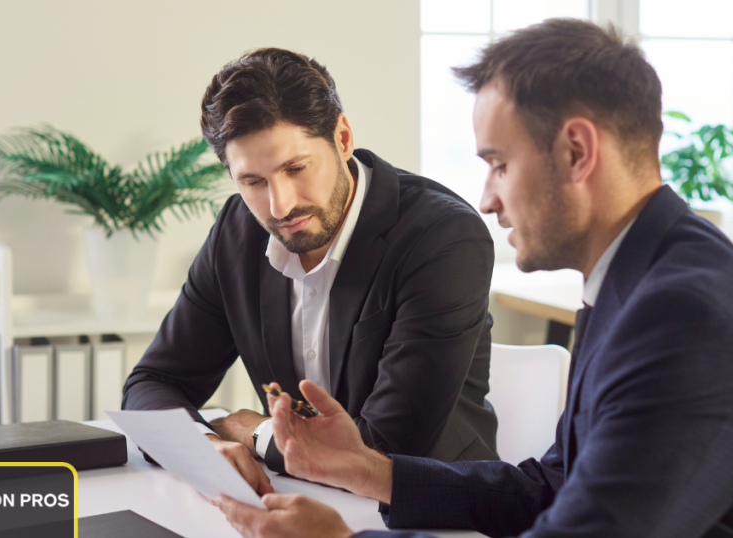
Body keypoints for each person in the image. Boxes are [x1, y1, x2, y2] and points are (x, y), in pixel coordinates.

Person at [212, 20, 733, 538]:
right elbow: (551, 488)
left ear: (577, 152)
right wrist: (367, 469)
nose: (487, 198)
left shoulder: (684, 317)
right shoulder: (640, 277)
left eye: (499, 164)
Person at [122, 47, 499, 495]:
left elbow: (385, 449)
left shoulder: (444, 238)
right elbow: (154, 382)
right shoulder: (238, 232)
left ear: (343, 138)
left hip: (429, 508)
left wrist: (249, 430)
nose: (280, 206)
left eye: (296, 168)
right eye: (253, 182)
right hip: (296, 497)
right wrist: (203, 443)